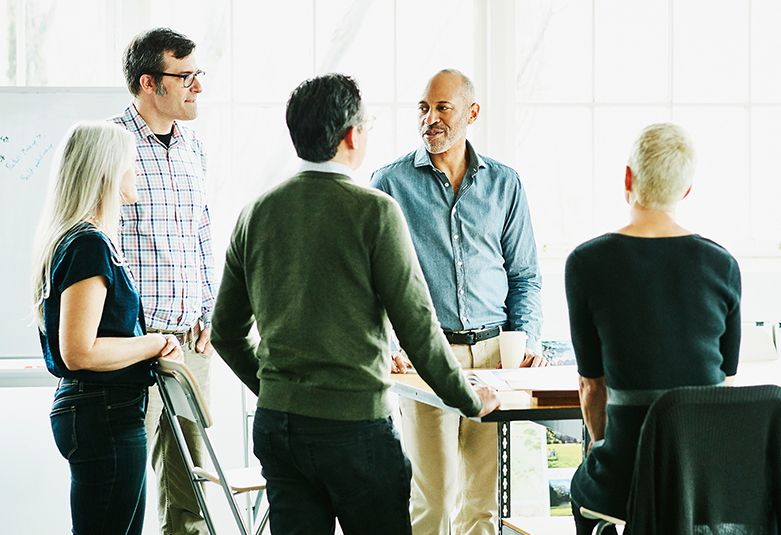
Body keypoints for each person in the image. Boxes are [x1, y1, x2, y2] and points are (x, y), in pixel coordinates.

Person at [210, 73, 500, 535]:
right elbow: (418, 327)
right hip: (353, 430)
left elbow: (224, 332)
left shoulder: (256, 213)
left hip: (278, 427)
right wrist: (468, 399)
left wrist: (273, 391)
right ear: (351, 135)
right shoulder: (374, 210)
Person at [371, 68, 545, 535]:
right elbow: (373, 281)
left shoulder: (505, 184)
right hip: (427, 357)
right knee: (434, 498)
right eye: (423, 108)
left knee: (484, 501)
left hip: (494, 357)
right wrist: (392, 343)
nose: (430, 118)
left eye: (442, 107)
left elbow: (525, 275)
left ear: (472, 112)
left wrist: (527, 336)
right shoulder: (389, 183)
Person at [564, 123, 741, 534]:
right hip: (702, 481)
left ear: (627, 177)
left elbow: (592, 387)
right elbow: (725, 386)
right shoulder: (722, 264)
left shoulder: (586, 262)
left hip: (624, 476)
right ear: (687, 190)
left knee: (582, 483)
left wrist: (599, 443)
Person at [31, 121, 185, 535]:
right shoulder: (88, 245)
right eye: (130, 164)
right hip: (103, 412)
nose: (136, 172)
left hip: (103, 410)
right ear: (106, 171)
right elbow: (79, 351)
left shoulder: (82, 240)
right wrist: (154, 343)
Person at [111, 27, 217, 535]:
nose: (198, 86)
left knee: (190, 487)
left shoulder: (194, 146)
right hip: (132, 345)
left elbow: (201, 233)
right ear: (150, 82)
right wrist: (129, 334)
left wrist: (209, 312)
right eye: (187, 76)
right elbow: (96, 243)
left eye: (199, 75)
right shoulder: (110, 145)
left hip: (189, 343)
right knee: (124, 484)